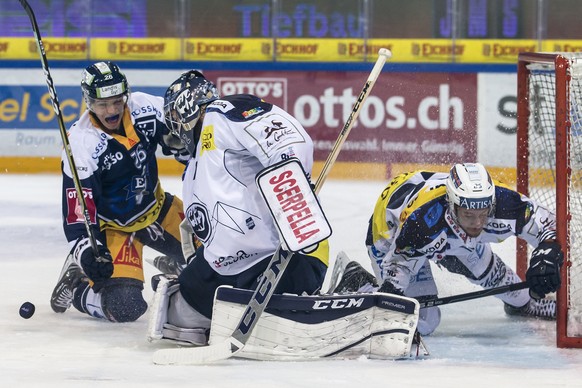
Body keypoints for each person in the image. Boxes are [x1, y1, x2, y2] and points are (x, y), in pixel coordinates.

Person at [148, 70, 328, 345]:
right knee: (175, 315)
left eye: (173, 118)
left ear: (184, 107)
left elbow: (290, 140)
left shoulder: (220, 114)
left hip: (283, 258)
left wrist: (290, 188)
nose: (173, 131)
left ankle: (342, 285)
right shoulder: (195, 166)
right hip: (234, 273)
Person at [334, 163, 563, 336]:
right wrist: (392, 297)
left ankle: (522, 304)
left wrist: (547, 253)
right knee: (424, 321)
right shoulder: (423, 225)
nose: (477, 223)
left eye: (483, 213)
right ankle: (357, 280)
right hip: (391, 232)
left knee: (505, 285)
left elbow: (547, 223)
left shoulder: (503, 204)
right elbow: (399, 268)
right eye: (469, 215)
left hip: (445, 232)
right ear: (452, 206)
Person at [50, 61, 188, 322]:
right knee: (125, 307)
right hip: (115, 228)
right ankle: (77, 284)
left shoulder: (146, 107)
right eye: (102, 104)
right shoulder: (81, 146)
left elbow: (186, 138)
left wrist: (182, 143)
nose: (112, 110)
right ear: (89, 102)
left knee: (219, 256)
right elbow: (77, 220)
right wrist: (89, 253)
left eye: (116, 100)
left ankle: (181, 262)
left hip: (158, 210)